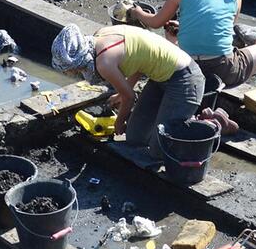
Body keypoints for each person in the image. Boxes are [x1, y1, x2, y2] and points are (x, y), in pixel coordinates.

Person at [52, 22, 205, 152]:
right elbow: (139, 60)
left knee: (160, 148)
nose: (75, 73)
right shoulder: (100, 35)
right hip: (161, 78)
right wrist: (122, 92)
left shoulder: (104, 63)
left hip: (185, 80)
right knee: (135, 138)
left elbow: (130, 97)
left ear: (79, 60)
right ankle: (175, 119)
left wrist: (119, 122)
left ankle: (204, 126)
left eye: (73, 69)